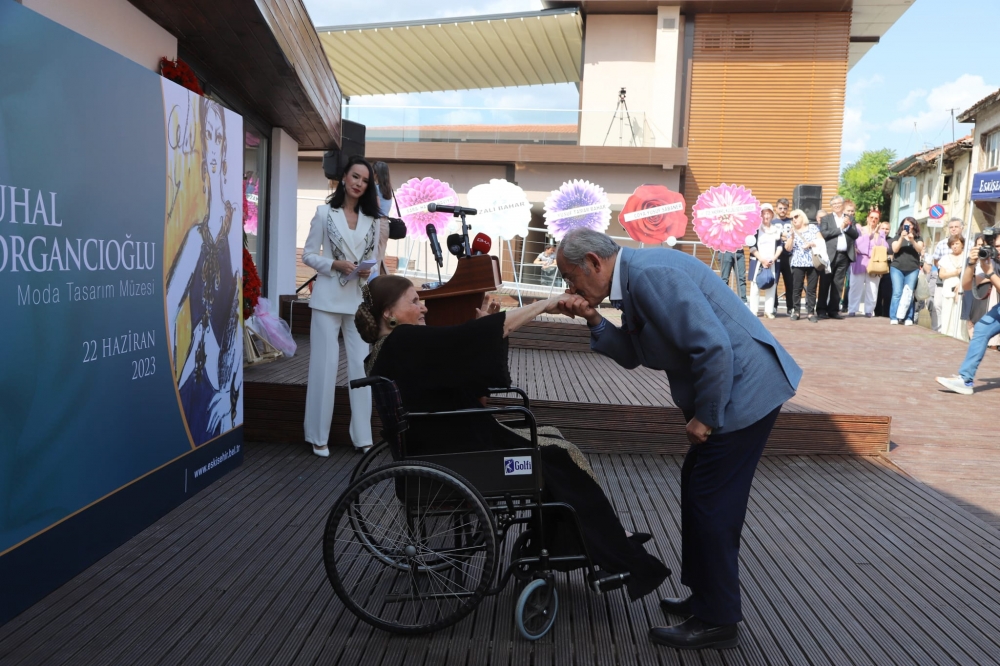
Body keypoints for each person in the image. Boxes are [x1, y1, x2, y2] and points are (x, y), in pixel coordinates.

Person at [554, 229, 802, 651]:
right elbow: (634, 354)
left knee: (712, 505)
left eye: (570, 277)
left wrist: (706, 416)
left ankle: (717, 620)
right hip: (737, 389)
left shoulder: (649, 275)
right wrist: (594, 320)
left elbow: (714, 348)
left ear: (594, 262)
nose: (570, 287)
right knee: (699, 491)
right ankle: (707, 598)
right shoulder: (634, 277)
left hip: (744, 392)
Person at [355, 275, 671, 600]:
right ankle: (611, 546)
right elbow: (466, 342)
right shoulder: (404, 340)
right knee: (557, 457)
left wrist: (482, 329)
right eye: (414, 301)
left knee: (553, 445)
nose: (423, 307)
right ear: (389, 313)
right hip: (460, 458)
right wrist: (544, 305)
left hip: (444, 449)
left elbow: (462, 365)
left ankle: (592, 540)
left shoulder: (386, 351)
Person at [165, 96, 243, 445]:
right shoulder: (197, 238)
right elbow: (168, 307)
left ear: (225, 149)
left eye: (218, 136)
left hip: (221, 392)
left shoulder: (232, 229)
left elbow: (235, 318)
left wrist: (230, 392)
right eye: (207, 135)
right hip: (193, 383)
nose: (213, 145)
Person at [302, 156, 386, 457]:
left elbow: (373, 258)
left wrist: (366, 270)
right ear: (344, 178)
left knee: (361, 367)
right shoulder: (324, 213)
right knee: (323, 368)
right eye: (355, 176)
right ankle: (317, 436)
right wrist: (333, 264)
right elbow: (308, 255)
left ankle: (363, 436)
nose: (358, 183)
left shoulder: (374, 220)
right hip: (326, 300)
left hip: (357, 300)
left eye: (364, 180)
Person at [936, 228, 1000, 394]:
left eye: (999, 246)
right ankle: (965, 380)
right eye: (995, 246)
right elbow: (966, 286)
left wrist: (990, 273)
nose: (997, 250)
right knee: (981, 328)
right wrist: (971, 264)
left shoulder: (992, 267)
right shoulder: (993, 262)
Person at [817, 196, 858, 319]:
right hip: (829, 255)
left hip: (844, 255)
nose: (836, 205)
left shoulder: (850, 218)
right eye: (834, 204)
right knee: (825, 283)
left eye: (838, 203)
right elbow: (825, 233)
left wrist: (847, 227)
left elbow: (855, 235)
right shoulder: (826, 218)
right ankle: (821, 310)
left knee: (838, 284)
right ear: (831, 206)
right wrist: (840, 229)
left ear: (843, 204)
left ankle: (833, 310)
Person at [848, 210, 888, 317]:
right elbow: (857, 244)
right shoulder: (859, 229)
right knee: (855, 286)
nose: (873, 220)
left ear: (878, 220)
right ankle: (852, 309)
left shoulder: (881, 233)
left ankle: (869, 310)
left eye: (876, 218)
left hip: (874, 262)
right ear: (867, 218)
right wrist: (868, 235)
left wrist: (877, 235)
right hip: (859, 261)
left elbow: (884, 247)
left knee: (873, 288)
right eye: (871, 217)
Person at [784, 209, 822, 322]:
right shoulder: (792, 231)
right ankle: (796, 311)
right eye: (791, 218)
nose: (794, 219)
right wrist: (791, 237)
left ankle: (811, 313)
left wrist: (811, 244)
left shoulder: (813, 228)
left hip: (812, 262)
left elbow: (821, 241)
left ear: (802, 216)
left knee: (812, 289)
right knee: (797, 288)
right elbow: (788, 248)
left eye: (796, 216)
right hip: (798, 262)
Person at [747, 203, 783, 318]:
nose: (766, 216)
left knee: (772, 286)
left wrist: (773, 258)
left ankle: (769, 311)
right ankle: (753, 311)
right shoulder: (755, 230)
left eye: (768, 213)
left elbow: (780, 246)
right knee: (755, 286)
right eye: (763, 213)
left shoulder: (776, 230)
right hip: (758, 261)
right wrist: (762, 260)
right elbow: (752, 247)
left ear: (772, 215)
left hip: (772, 262)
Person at [889, 216, 925, 325]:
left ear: (914, 226)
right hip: (897, 268)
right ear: (902, 225)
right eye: (906, 224)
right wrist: (901, 237)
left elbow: (919, 249)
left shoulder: (918, 238)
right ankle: (894, 317)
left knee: (909, 293)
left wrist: (912, 240)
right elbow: (895, 249)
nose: (908, 226)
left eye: (910, 224)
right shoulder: (896, 237)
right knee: (897, 292)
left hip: (912, 269)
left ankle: (908, 317)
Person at [931, 217, 965, 331]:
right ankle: (939, 329)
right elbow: (936, 261)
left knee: (958, 311)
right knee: (939, 306)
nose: (953, 229)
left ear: (962, 228)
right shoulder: (942, 244)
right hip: (945, 283)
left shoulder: (968, 245)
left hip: (962, 284)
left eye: (956, 227)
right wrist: (952, 271)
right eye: (951, 227)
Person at [936, 236, 965, 338]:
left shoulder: (967, 257)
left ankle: (960, 338)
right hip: (948, 289)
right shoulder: (945, 258)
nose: (954, 246)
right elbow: (941, 274)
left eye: (957, 243)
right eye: (952, 244)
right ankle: (946, 336)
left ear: (962, 244)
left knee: (960, 315)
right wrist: (955, 273)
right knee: (947, 315)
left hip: (962, 289)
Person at [774, 198, 795, 315]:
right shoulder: (772, 222)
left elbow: (794, 236)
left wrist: (786, 237)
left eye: (785, 208)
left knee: (790, 282)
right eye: (780, 208)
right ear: (776, 209)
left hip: (789, 256)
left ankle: (790, 307)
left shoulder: (791, 221)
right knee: (774, 282)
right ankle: (774, 306)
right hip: (776, 256)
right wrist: (784, 236)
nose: (782, 210)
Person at [874, 219, 895, 317]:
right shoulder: (875, 238)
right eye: (883, 228)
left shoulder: (892, 240)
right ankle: (877, 313)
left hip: (888, 269)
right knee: (876, 292)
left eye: (887, 229)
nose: (885, 230)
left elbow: (893, 255)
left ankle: (886, 314)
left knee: (887, 293)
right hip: (876, 268)